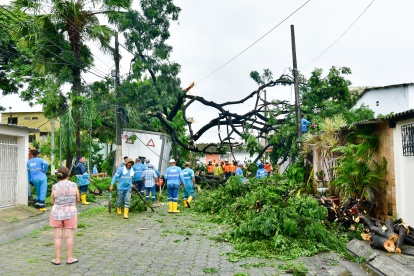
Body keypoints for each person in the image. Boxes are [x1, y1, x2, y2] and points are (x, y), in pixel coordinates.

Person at [50, 166, 80, 265]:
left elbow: (52, 201)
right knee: (69, 237)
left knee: (58, 237)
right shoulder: (73, 185)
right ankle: (69, 258)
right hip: (70, 213)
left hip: (56, 213)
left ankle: (57, 259)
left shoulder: (54, 186)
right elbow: (78, 199)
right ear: (68, 175)